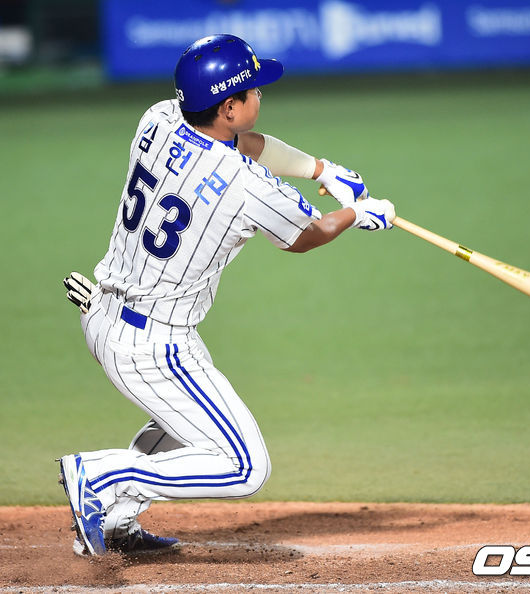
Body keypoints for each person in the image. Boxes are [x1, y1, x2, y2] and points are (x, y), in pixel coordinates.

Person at [59, 34, 396, 556]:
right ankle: (101, 478)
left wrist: (321, 170)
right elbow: (307, 234)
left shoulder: (159, 118)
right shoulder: (244, 185)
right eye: (253, 89)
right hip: (150, 343)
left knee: (186, 424)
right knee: (244, 466)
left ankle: (117, 520)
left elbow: (242, 144)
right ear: (229, 107)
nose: (261, 94)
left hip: (106, 310)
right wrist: (359, 213)